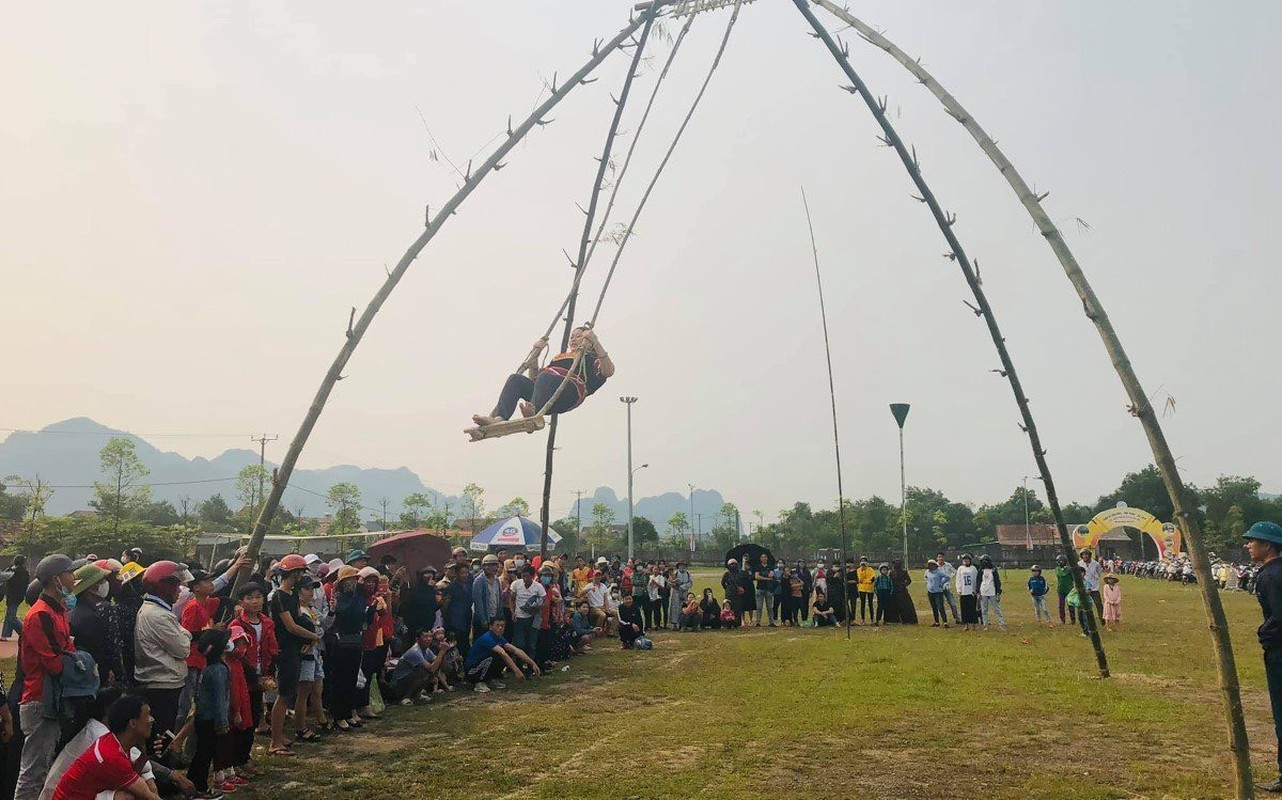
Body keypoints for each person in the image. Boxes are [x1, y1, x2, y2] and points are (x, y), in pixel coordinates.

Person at [15, 555, 78, 800]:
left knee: (43, 769)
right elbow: (55, 662)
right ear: (56, 579)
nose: (74, 577)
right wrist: (80, 665)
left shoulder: (59, 609)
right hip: (41, 699)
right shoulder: (41, 614)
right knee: (33, 771)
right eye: (70, 573)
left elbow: (68, 650)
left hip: (52, 698)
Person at [471, 326, 616, 427]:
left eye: (579, 336)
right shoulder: (560, 357)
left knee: (546, 377)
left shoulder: (591, 358)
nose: (573, 339)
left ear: (588, 341)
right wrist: (535, 356)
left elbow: (608, 372)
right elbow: (535, 380)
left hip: (569, 393)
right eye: (572, 337)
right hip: (546, 394)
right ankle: (499, 418)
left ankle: (532, 412)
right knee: (515, 379)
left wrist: (596, 342)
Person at [48, 693, 161, 800]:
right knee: (126, 797)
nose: (152, 719)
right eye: (147, 715)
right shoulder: (111, 754)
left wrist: (145, 754)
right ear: (132, 723)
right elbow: (148, 796)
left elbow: (128, 775)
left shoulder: (114, 741)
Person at [269, 554, 321, 755]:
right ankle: (275, 741)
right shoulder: (279, 597)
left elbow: (299, 619)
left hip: (295, 648)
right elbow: (290, 626)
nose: (302, 577)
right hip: (285, 650)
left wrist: (307, 639)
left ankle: (279, 734)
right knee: (283, 696)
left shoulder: (290, 596)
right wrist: (313, 637)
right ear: (294, 573)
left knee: (288, 694)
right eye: (300, 572)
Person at [1245, 521, 1282, 793]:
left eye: (1252, 541)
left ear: (1267, 545)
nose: (1248, 545)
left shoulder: (1269, 576)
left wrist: (1264, 634)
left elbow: (1278, 618)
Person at [228, 581, 277, 766]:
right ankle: (236, 759)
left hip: (261, 675)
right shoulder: (236, 624)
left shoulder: (267, 622)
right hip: (242, 677)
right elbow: (236, 654)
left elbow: (272, 649)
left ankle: (244, 757)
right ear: (242, 602)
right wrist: (253, 675)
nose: (255, 602)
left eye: (258, 597)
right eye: (249, 598)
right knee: (241, 719)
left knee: (255, 717)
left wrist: (269, 672)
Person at [189, 629, 234, 795]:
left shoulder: (209, 668)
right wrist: (222, 723)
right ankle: (199, 787)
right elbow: (220, 699)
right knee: (205, 754)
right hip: (211, 720)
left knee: (203, 752)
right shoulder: (219, 670)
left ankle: (195, 783)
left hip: (203, 718)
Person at [463, 618, 539, 693]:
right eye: (497, 625)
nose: (500, 628)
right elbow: (502, 653)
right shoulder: (487, 638)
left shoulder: (499, 638)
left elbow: (516, 650)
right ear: (491, 627)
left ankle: (491, 678)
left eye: (502, 626)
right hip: (472, 670)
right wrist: (517, 671)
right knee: (498, 655)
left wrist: (532, 664)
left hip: (483, 665)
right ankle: (478, 682)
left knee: (504, 653)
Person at [386, 629, 438, 706]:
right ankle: (405, 697)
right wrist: (442, 652)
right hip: (397, 685)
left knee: (428, 672)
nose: (429, 639)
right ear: (417, 639)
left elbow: (437, 663)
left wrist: (442, 654)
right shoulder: (414, 651)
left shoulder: (426, 650)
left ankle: (416, 694)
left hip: (407, 681)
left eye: (430, 636)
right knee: (423, 672)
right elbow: (431, 668)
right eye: (425, 637)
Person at [510, 565, 545, 659]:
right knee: (519, 643)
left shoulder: (538, 587)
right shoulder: (516, 584)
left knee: (531, 644)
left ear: (532, 576)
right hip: (519, 618)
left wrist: (535, 608)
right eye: (523, 576)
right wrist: (512, 612)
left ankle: (531, 667)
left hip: (533, 618)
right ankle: (518, 664)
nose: (525, 579)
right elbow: (512, 599)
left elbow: (543, 601)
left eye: (527, 576)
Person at [2, 556, 28, 641]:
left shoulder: (13, 572)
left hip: (13, 597)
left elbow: (3, 577)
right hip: (19, 597)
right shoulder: (25, 572)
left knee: (11, 617)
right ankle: (5, 635)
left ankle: (24, 632)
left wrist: (9, 569)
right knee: (9, 615)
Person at [977, 555, 1005, 630]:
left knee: (997, 609)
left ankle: (1001, 624)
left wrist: (998, 592)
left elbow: (997, 581)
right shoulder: (980, 570)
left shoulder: (993, 570)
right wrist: (978, 592)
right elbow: (978, 582)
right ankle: (985, 625)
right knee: (984, 610)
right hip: (983, 592)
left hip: (992, 592)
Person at [889, 558, 919, 625]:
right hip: (894, 591)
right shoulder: (891, 573)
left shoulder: (904, 572)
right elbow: (889, 581)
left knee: (905, 606)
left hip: (902, 591)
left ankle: (907, 619)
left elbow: (909, 580)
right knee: (895, 606)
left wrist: (904, 584)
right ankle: (895, 620)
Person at [1078, 548, 1105, 622]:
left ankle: (1102, 620)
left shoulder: (1095, 564)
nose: (1085, 556)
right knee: (1084, 605)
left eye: (1086, 554)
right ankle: (1086, 620)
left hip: (1094, 588)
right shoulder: (1079, 564)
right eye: (1083, 555)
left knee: (1098, 604)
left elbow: (1099, 573)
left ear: (1089, 555)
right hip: (1084, 588)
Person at [955, 554, 980, 631]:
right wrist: (958, 590)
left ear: (970, 561)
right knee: (964, 609)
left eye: (967, 560)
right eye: (964, 560)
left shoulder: (973, 569)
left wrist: (976, 590)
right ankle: (966, 625)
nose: (966, 561)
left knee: (972, 609)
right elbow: (958, 580)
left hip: (971, 592)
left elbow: (975, 580)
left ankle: (974, 625)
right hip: (963, 592)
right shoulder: (960, 569)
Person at [934, 552, 960, 624]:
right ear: (937, 558)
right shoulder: (935, 566)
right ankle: (943, 620)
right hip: (938, 588)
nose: (940, 558)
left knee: (952, 604)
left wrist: (950, 577)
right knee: (940, 605)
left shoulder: (948, 565)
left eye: (942, 557)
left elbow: (955, 572)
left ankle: (957, 619)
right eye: (939, 557)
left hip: (947, 587)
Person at [720, 560, 746, 627]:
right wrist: (727, 588)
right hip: (729, 593)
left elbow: (743, 582)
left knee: (738, 608)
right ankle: (728, 623)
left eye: (734, 564)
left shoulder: (740, 573)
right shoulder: (726, 574)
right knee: (728, 607)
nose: (733, 565)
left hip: (738, 593)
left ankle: (737, 623)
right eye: (731, 564)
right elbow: (722, 583)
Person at [924, 561, 949, 627]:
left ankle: (945, 622)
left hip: (938, 592)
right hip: (930, 592)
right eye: (929, 565)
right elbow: (925, 577)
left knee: (940, 607)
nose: (930, 566)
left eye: (931, 565)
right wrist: (927, 584)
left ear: (934, 565)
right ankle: (936, 622)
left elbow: (947, 577)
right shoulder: (927, 571)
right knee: (934, 607)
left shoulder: (939, 572)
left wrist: (941, 583)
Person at [670, 562, 693, 631]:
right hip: (676, 592)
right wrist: (676, 586)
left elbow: (691, 582)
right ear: (678, 566)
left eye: (683, 566)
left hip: (685, 592)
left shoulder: (688, 574)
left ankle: (683, 624)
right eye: (680, 566)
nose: (682, 567)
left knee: (684, 607)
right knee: (675, 608)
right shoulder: (675, 573)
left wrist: (684, 587)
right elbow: (672, 582)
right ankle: (674, 624)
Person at [1055, 554, 1075, 625]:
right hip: (1061, 589)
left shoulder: (1069, 569)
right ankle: (1062, 620)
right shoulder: (1057, 569)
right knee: (1061, 606)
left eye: (1060, 561)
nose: (1058, 563)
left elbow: (1073, 579)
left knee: (1070, 605)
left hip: (1069, 589)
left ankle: (1073, 620)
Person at [855, 558, 876, 626]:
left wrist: (866, 581)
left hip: (870, 589)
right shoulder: (858, 570)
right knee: (862, 604)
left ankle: (872, 620)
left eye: (864, 561)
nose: (863, 562)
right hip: (862, 589)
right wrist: (862, 570)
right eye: (862, 561)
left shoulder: (871, 569)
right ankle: (863, 619)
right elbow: (859, 579)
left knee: (870, 604)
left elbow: (872, 579)